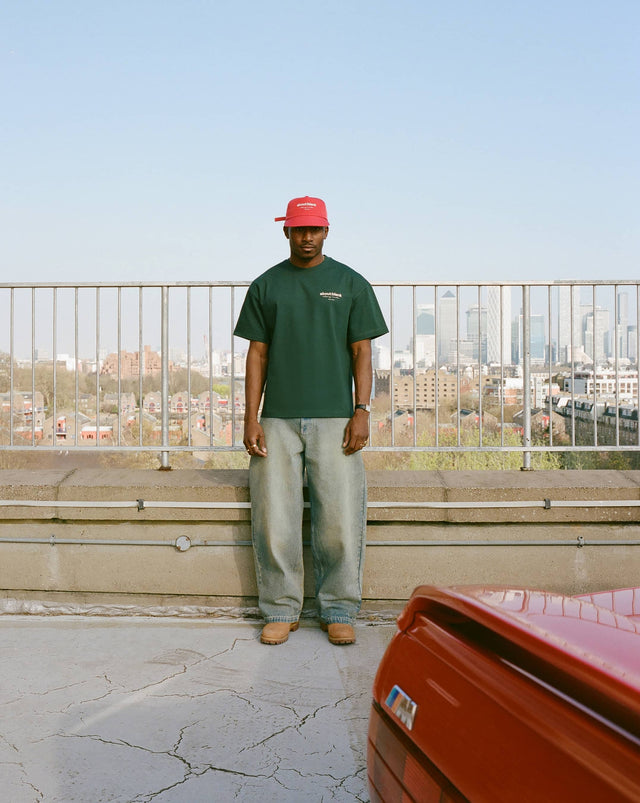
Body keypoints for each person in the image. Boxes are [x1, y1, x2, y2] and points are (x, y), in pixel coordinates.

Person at [234, 196, 388, 646]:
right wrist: (250, 418)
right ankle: (280, 609)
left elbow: (362, 352)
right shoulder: (266, 286)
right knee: (274, 518)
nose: (307, 237)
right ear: (286, 231)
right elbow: (257, 354)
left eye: (314, 229)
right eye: (299, 229)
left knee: (340, 517)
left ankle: (338, 609)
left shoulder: (351, 283)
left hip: (337, 418)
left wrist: (362, 411)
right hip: (276, 419)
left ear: (326, 231)